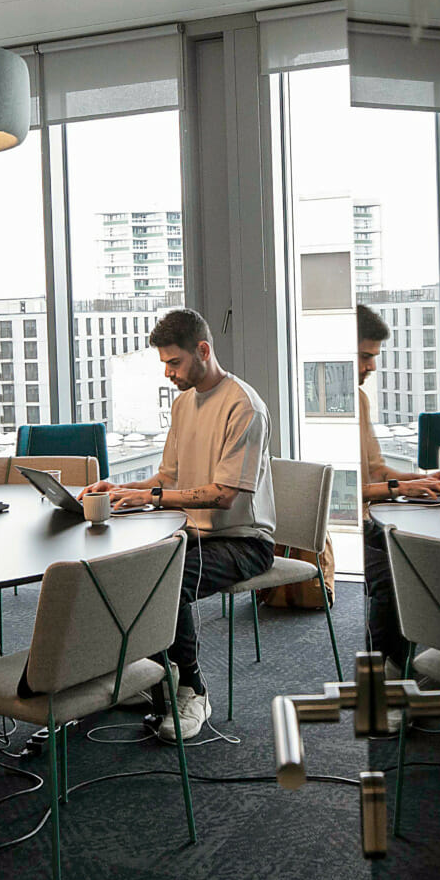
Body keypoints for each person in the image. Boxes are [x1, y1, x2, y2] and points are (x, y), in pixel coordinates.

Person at [81, 309, 275, 743]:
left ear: (203, 351)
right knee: (125, 564)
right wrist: (121, 489)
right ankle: (152, 676)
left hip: (243, 540)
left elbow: (225, 495)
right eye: (165, 364)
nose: (168, 373)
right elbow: (166, 479)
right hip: (192, 533)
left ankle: (192, 689)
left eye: (174, 363)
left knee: (168, 577)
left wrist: (150, 499)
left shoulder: (244, 407)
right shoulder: (185, 402)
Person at [357, 303, 440, 676]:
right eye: (365, 356)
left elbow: (374, 471)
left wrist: (425, 478)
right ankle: (385, 673)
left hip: (371, 516)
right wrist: (403, 486)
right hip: (342, 524)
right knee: (395, 564)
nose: (371, 367)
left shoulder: (361, 399)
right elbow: (347, 490)